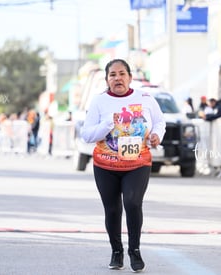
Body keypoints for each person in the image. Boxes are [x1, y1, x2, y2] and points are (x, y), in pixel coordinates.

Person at [81, 59, 166, 272]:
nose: (117, 78)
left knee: (132, 203)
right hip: (105, 165)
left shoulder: (145, 98)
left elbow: (159, 122)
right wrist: (109, 122)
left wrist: (157, 135)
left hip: (137, 163)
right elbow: (87, 135)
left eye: (121, 74)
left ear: (129, 77)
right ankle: (116, 251)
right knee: (112, 210)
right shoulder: (99, 102)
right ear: (107, 79)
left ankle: (134, 250)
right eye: (112, 75)